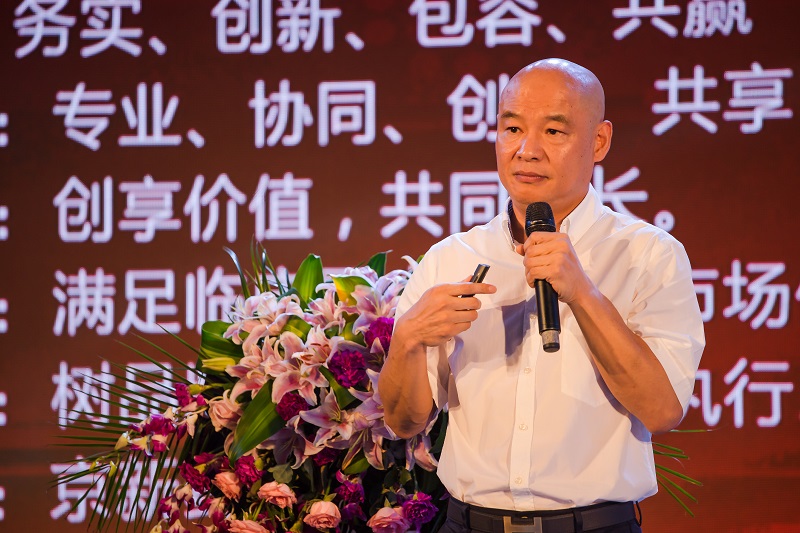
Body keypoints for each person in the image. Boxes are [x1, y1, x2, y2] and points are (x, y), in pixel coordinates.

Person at [378, 58, 705, 533]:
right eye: (512, 128)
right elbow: (403, 421)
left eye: (553, 132)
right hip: (468, 524)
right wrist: (407, 340)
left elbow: (662, 410)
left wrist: (583, 293)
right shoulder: (451, 257)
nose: (526, 151)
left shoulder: (648, 254)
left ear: (599, 142)